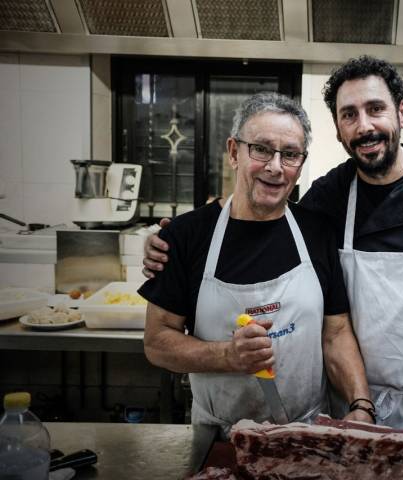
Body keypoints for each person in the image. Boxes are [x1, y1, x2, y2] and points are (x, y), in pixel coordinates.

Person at [144, 57, 403, 439]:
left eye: (375, 109)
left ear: (401, 113)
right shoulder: (327, 199)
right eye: (349, 114)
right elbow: (266, 220)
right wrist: (169, 241)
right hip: (347, 407)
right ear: (338, 129)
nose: (364, 126)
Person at [138, 92, 373, 436]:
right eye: (261, 149)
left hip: (306, 434)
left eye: (290, 154)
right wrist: (227, 356)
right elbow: (156, 342)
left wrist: (361, 403)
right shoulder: (186, 236)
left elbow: (335, 333)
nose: (275, 167)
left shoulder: (317, 231)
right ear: (235, 152)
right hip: (219, 439)